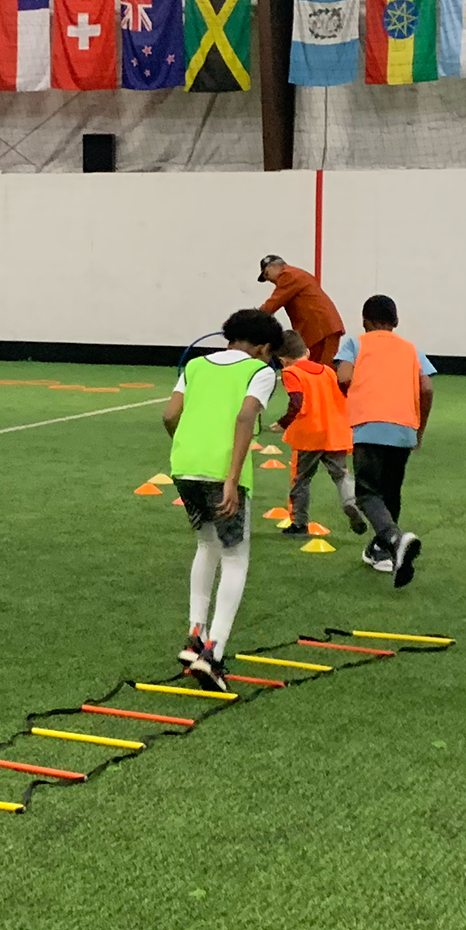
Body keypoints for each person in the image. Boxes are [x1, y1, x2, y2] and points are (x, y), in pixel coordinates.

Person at [164, 308, 284, 692]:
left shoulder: (196, 366)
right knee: (235, 558)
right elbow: (247, 416)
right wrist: (231, 477)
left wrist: (188, 451)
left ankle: (195, 636)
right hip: (223, 471)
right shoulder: (260, 371)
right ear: (264, 347)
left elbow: (170, 416)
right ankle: (213, 652)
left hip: (184, 465)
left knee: (206, 545)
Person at [336, 295, 435, 588]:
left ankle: (394, 538)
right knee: (390, 490)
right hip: (404, 426)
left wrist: (356, 394)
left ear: (365, 321)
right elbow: (426, 388)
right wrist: (419, 429)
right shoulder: (410, 349)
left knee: (367, 493)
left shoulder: (356, 343)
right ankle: (381, 551)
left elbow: (343, 377)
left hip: (369, 425)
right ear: (396, 322)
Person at [271, 329, 368, 538]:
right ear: (306, 351)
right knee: (341, 475)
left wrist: (283, 423)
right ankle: (352, 503)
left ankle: (299, 524)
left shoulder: (291, 373)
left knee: (301, 479)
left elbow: (297, 401)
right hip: (334, 432)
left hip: (309, 434)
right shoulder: (326, 370)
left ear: (283, 360)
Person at [257, 255, 344, 368]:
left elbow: (272, 304)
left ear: (274, 266)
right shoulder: (297, 274)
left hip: (319, 330)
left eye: (267, 274)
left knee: (319, 369)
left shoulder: (288, 276)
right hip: (322, 328)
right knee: (320, 368)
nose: (269, 280)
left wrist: (252, 319)